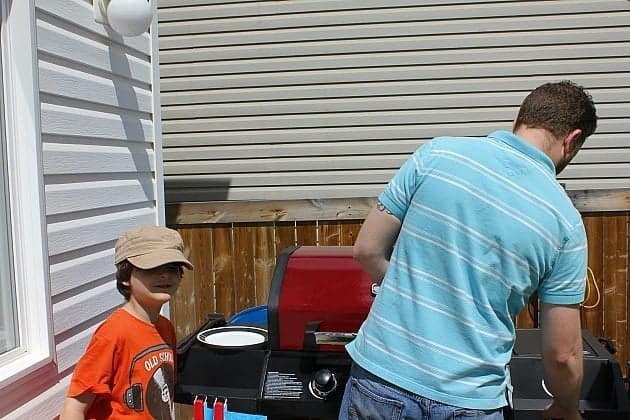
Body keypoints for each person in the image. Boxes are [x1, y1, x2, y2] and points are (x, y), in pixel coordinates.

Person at [340, 81, 597, 420]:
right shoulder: (565, 223)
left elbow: (367, 250)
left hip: (381, 380)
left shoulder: (437, 154)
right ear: (572, 139)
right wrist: (565, 406)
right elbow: (563, 354)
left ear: (522, 118)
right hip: (470, 402)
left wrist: (416, 293)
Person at [60, 225, 194, 420]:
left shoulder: (166, 328)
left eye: (172, 268)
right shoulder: (113, 333)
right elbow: (74, 408)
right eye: (153, 268)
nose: (164, 275)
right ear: (125, 277)